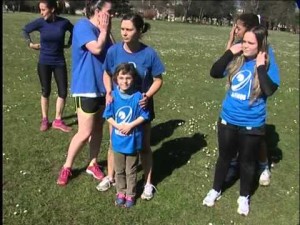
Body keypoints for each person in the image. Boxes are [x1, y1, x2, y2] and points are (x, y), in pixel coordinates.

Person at [202, 25, 280, 216]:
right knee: (224, 158)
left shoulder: (268, 64)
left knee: (247, 162)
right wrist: (230, 51)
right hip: (228, 119)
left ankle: (244, 196)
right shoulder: (236, 59)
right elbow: (214, 72)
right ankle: (216, 189)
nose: (245, 45)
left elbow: (269, 90)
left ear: (261, 45)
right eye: (244, 41)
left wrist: (260, 67)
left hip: (252, 124)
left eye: (250, 43)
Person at [98, 13, 165, 200]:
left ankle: (148, 183)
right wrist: (109, 92)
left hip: (141, 108)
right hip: (118, 108)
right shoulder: (113, 51)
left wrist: (147, 95)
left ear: (139, 31)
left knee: (144, 146)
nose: (124, 33)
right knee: (114, 143)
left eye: (129, 29)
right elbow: (106, 73)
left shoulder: (149, 53)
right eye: (122, 29)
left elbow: (159, 80)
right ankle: (111, 177)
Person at [56, 0, 114, 186]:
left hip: (103, 88)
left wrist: (107, 29)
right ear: (97, 11)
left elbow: (112, 51)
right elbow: (96, 48)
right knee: (85, 131)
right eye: (108, 12)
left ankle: (93, 163)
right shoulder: (83, 26)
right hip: (86, 88)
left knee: (98, 129)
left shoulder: (103, 30)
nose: (111, 15)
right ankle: (67, 166)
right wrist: (104, 31)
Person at [224, 13, 278, 186]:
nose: (235, 30)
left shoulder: (266, 53)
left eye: (238, 28)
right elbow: (224, 65)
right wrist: (231, 40)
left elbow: (270, 85)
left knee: (258, 139)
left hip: (253, 108)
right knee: (232, 137)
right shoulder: (239, 47)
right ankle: (233, 165)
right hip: (236, 104)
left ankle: (263, 166)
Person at [103, 63, 150, 208]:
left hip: (132, 142)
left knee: (131, 170)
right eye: (121, 77)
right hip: (117, 142)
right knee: (120, 169)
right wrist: (117, 126)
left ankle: (131, 194)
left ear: (133, 79)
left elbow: (145, 115)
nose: (124, 81)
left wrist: (130, 125)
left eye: (128, 78)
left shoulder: (138, 97)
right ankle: (120, 192)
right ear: (116, 79)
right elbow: (108, 115)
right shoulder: (113, 96)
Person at [22, 0, 73, 132]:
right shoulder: (40, 22)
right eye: (40, 9)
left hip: (59, 61)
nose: (41, 12)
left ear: (52, 9)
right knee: (46, 91)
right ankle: (45, 119)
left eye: (43, 9)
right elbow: (25, 30)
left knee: (63, 91)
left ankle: (57, 120)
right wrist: (30, 44)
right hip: (44, 61)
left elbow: (73, 30)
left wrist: (69, 43)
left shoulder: (64, 22)